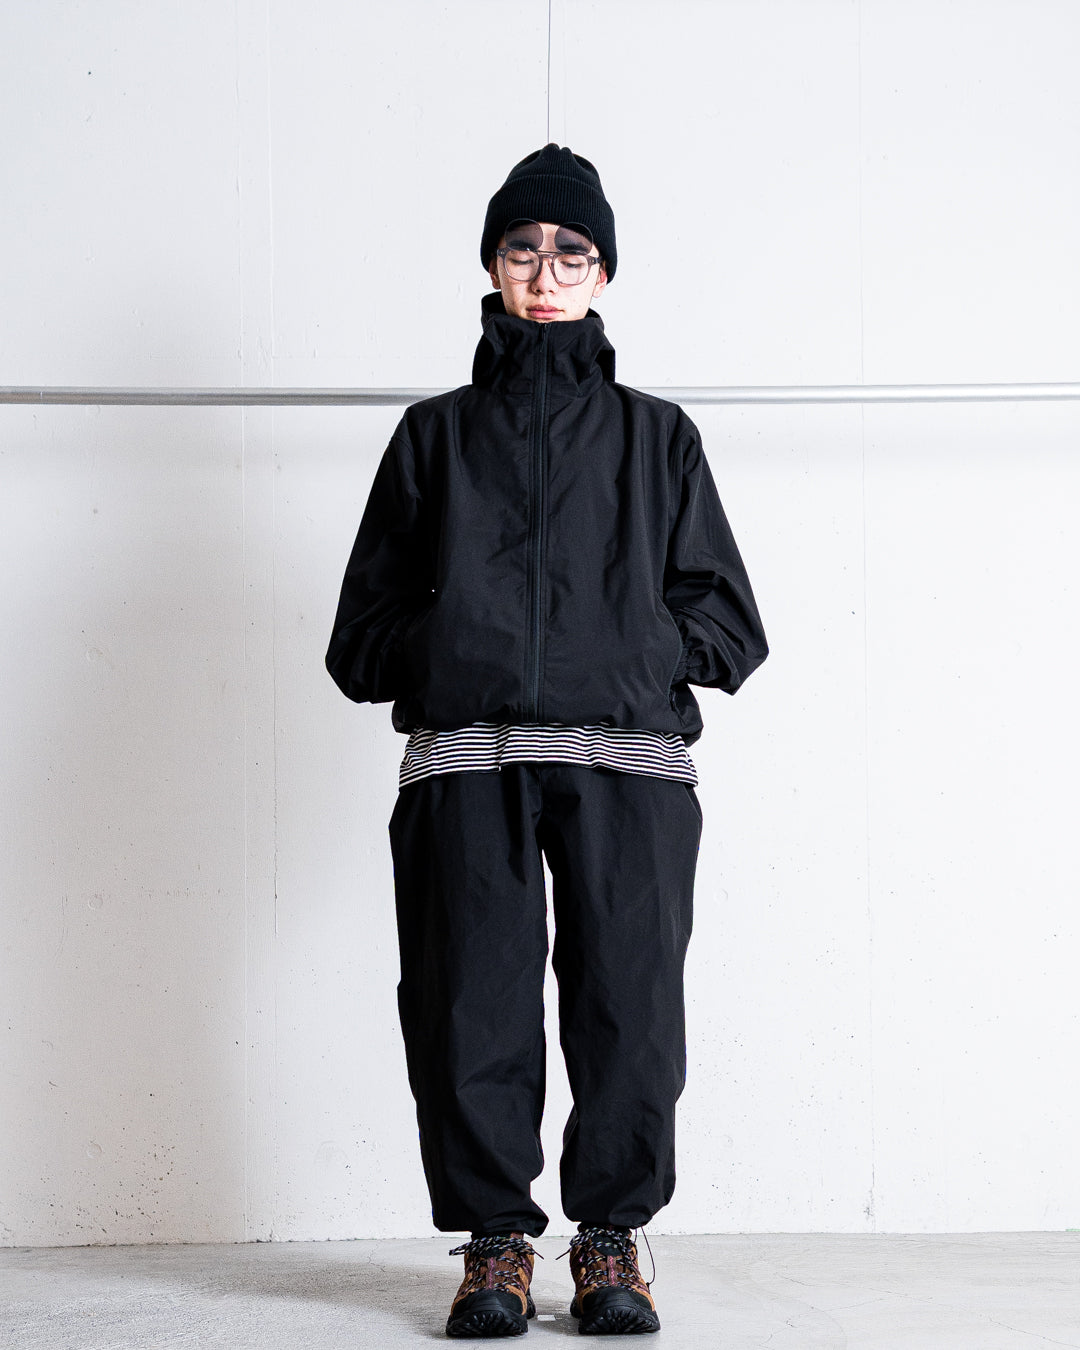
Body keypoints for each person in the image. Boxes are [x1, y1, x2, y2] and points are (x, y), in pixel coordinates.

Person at [326, 143, 768, 1338]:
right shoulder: (433, 438)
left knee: (630, 1008)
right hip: (467, 763)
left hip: (629, 764)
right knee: (469, 1005)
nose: (546, 272)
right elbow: (360, 639)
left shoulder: (657, 439)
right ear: (492, 265)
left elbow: (730, 626)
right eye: (523, 249)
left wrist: (628, 649)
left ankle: (611, 1241)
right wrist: (455, 648)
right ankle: (495, 1249)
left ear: (602, 274)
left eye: (572, 253)